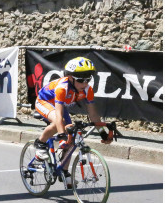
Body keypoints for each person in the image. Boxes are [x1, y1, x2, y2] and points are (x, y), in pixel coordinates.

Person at [33, 57, 114, 185]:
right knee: (61, 123)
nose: (85, 83)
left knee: (71, 137)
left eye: (88, 79)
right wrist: (62, 135)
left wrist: (102, 132)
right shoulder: (62, 88)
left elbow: (93, 114)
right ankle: (40, 143)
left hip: (60, 105)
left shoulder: (87, 90)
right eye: (81, 80)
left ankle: (64, 172)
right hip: (45, 101)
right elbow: (59, 116)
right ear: (70, 77)